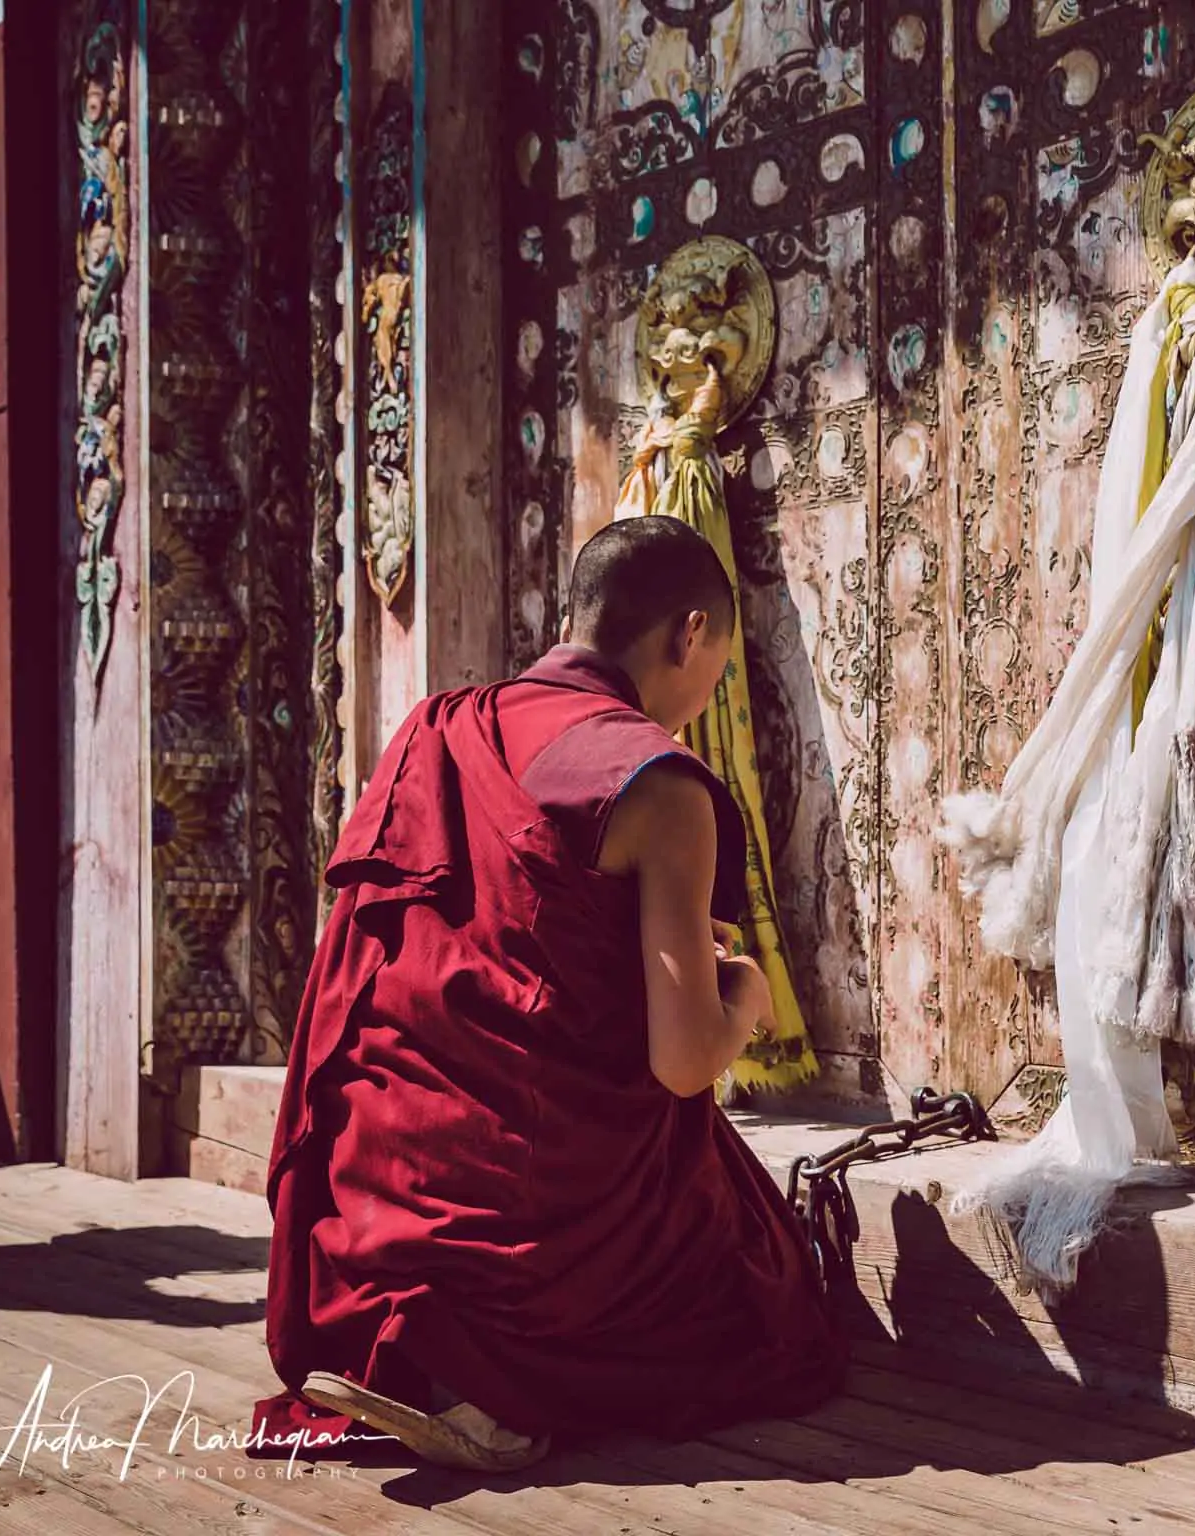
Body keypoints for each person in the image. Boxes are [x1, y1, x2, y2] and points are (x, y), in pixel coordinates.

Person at [250, 516, 846, 1472]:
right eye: (718, 670)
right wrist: (745, 994)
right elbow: (684, 1061)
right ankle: (501, 1376)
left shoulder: (438, 729)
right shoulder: (658, 784)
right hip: (530, 1233)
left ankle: (436, 1360)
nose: (703, 698)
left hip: (369, 1204)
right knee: (765, 1286)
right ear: (689, 635)